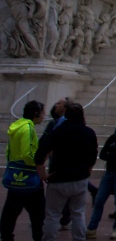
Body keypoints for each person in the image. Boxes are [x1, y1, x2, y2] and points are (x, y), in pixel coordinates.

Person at [34, 101, 98, 241]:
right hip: (79, 179)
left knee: (52, 215)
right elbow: (93, 156)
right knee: (78, 214)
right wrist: (87, 171)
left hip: (58, 178)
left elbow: (40, 155)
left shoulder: (57, 132)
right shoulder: (88, 133)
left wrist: (42, 174)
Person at [1, 100, 45, 241]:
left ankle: (6, 237)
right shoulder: (28, 128)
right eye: (42, 114)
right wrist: (37, 163)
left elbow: (9, 150)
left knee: (10, 212)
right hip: (28, 174)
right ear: (36, 114)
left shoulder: (16, 126)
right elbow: (27, 154)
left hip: (15, 172)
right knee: (37, 214)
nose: (44, 116)